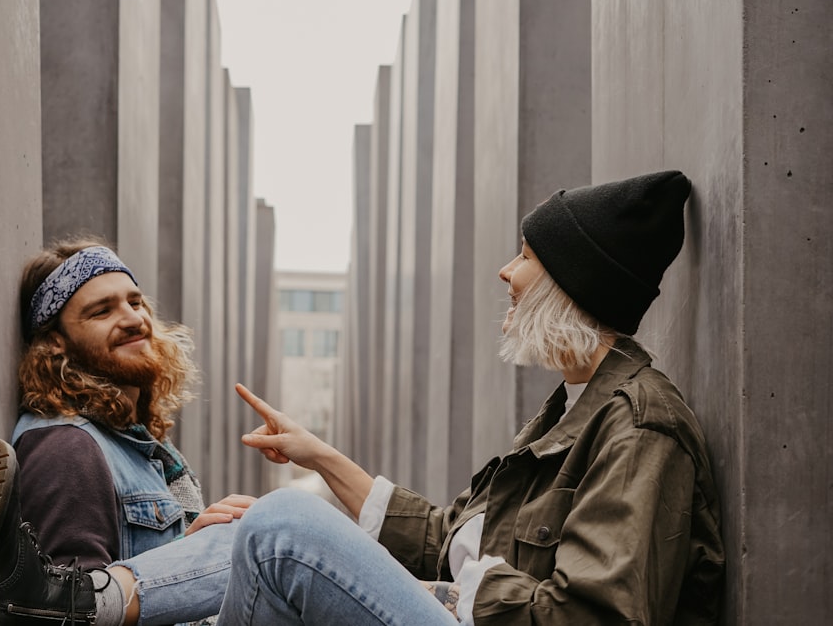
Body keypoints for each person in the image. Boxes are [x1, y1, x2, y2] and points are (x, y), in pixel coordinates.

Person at [217, 170, 725, 625]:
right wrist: (318, 454)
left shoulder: (638, 426)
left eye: (526, 257)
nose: (506, 272)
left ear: (573, 286)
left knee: (280, 525)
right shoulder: (567, 411)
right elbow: (448, 541)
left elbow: (595, 616)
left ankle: (133, 594)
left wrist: (459, 594)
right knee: (245, 531)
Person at [0, 238, 253, 625]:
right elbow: (65, 613)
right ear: (56, 341)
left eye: (135, 302)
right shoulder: (67, 448)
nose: (134, 319)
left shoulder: (134, 443)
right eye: (102, 311)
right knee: (270, 537)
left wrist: (192, 552)